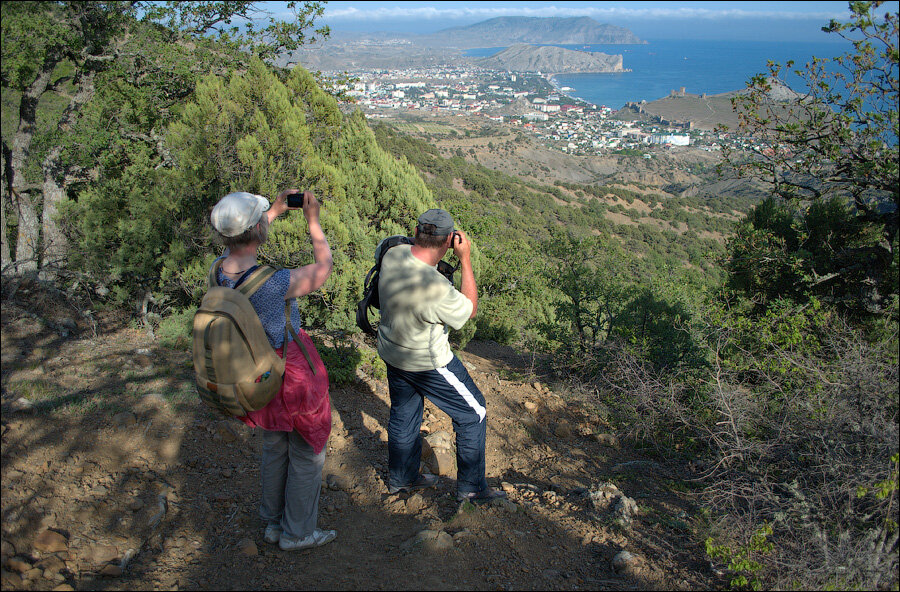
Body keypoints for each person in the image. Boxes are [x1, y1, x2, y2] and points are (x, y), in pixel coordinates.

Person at [209, 189, 335, 551]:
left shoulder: (219, 270)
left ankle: (272, 522)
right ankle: (298, 532)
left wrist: (275, 210)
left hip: (254, 373)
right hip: (290, 370)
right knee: (308, 447)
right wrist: (313, 221)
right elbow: (323, 268)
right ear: (259, 232)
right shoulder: (275, 281)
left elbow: (241, 239)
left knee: (275, 445)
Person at [375, 208, 507, 502]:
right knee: (474, 414)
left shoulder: (391, 251)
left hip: (392, 351)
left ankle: (401, 479)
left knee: (404, 413)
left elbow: (406, 250)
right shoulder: (436, 287)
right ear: (449, 240)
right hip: (428, 362)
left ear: (418, 232)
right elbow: (468, 310)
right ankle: (472, 490)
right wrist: (465, 259)